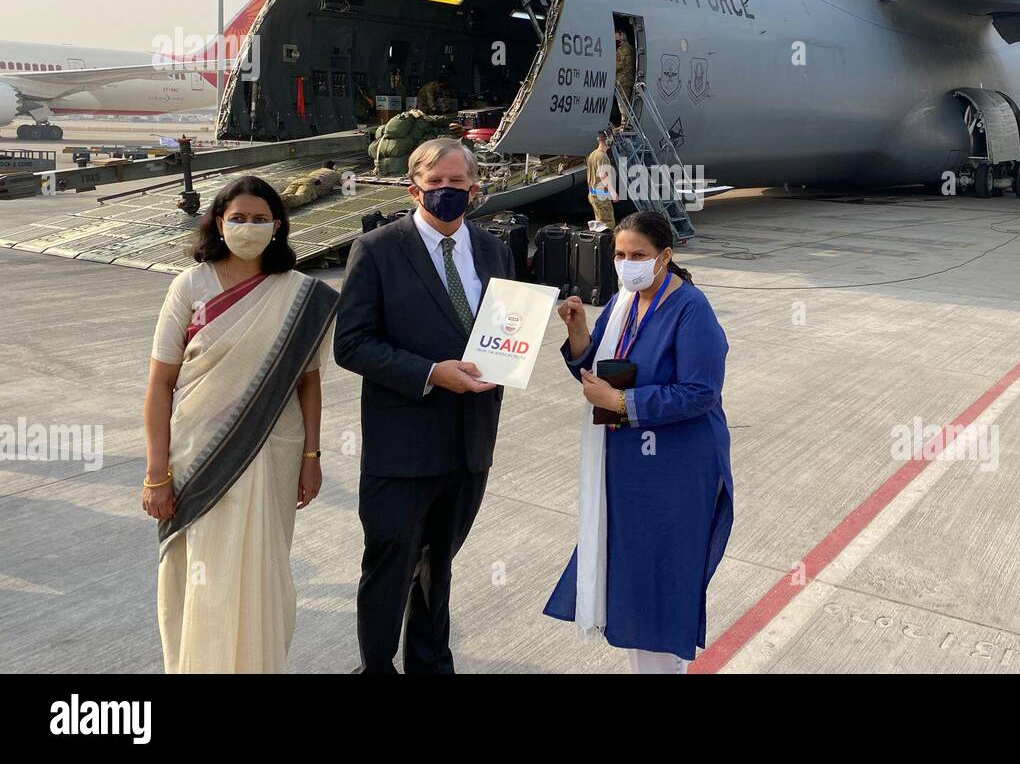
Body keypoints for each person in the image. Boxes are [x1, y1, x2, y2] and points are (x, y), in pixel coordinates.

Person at [143, 175, 339, 673]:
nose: (248, 227)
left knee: (260, 570)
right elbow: (160, 383)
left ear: (278, 226)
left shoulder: (300, 295)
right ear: (218, 223)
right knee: (201, 573)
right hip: (197, 454)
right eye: (238, 219)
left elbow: (309, 383)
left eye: (259, 220)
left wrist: (312, 458)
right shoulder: (191, 284)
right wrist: (156, 472)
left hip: (274, 449)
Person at [334, 138, 515, 673]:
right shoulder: (377, 250)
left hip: (469, 442)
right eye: (435, 184)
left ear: (474, 188)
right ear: (414, 188)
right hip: (403, 447)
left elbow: (502, 332)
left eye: (456, 183)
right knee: (391, 564)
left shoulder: (492, 250)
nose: (446, 192)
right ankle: (377, 666)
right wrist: (431, 373)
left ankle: (431, 664)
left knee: (441, 566)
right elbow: (352, 343)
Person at [545, 211, 734, 673]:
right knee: (633, 577)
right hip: (630, 466)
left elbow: (700, 391)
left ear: (665, 256)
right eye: (620, 255)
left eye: (639, 255)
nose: (627, 264)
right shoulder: (623, 303)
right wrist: (577, 333)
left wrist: (624, 402)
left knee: (660, 579)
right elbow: (599, 371)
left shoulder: (691, 309)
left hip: (675, 468)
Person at [587, 129, 617, 227]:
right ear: (608, 140)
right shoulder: (602, 157)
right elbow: (603, 175)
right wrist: (612, 192)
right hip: (601, 197)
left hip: (594, 194)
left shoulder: (593, 154)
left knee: (600, 225)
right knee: (608, 226)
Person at [613, 27, 635, 124]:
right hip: (625, 80)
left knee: (622, 103)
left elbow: (619, 64)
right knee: (623, 102)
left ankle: (625, 124)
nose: (615, 39)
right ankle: (624, 123)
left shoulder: (623, 49)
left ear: (621, 37)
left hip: (623, 80)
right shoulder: (628, 48)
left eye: (616, 37)